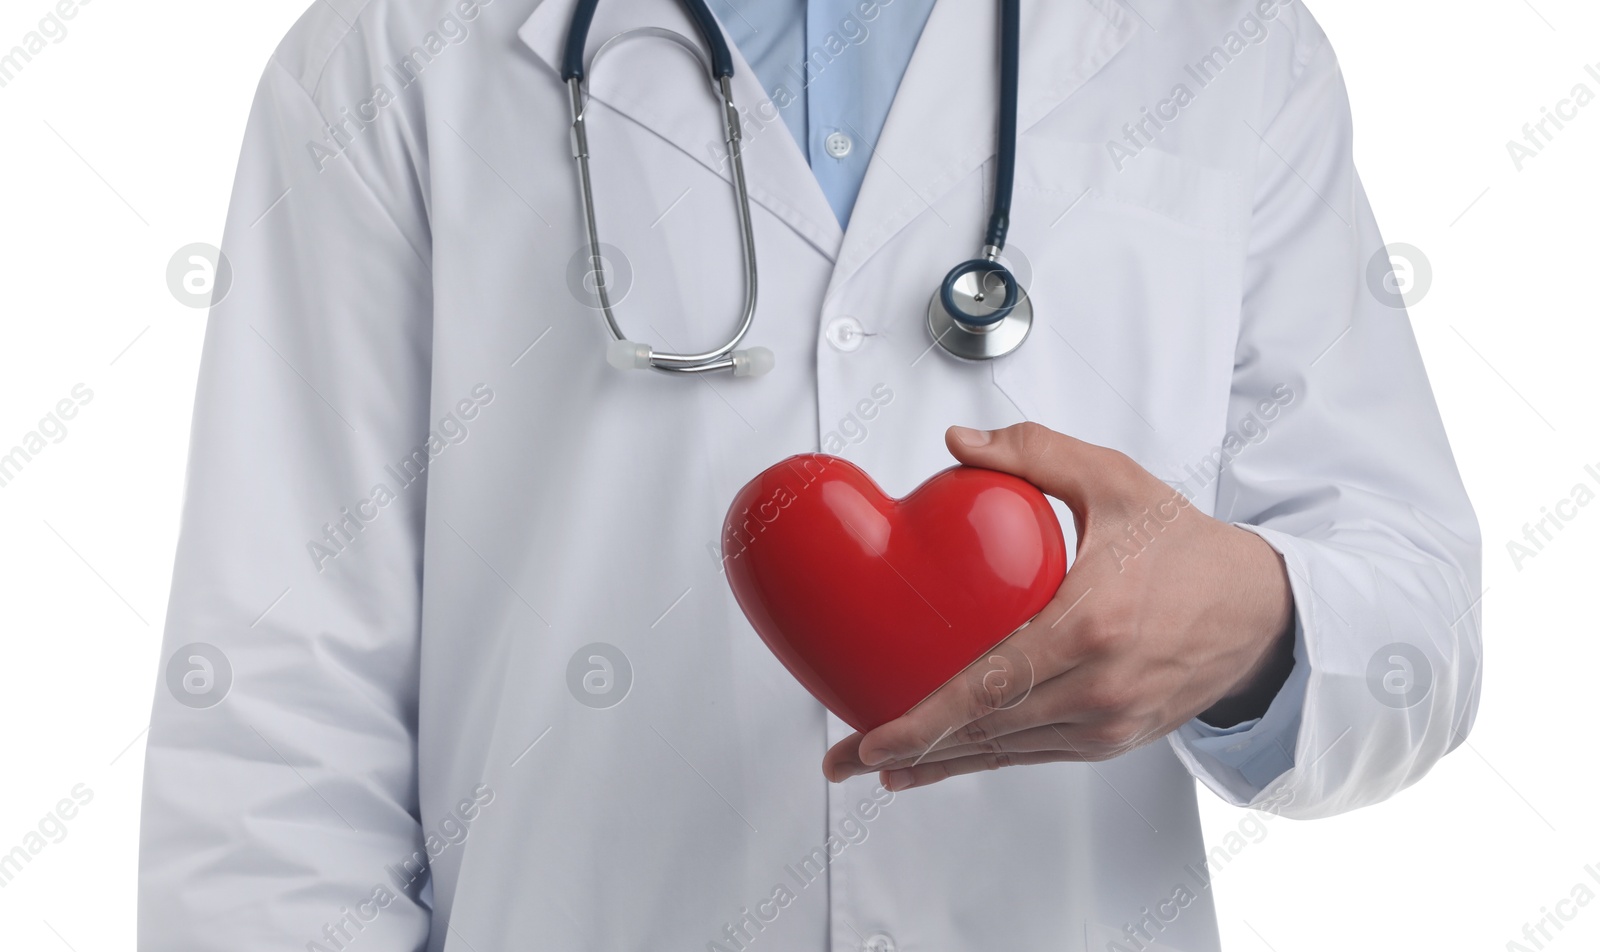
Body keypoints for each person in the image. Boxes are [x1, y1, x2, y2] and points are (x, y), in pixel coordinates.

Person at [139, 0, 1482, 950]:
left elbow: (1412, 603)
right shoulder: (393, 54)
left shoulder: (1228, 46)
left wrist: (1258, 623)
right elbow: (276, 702)